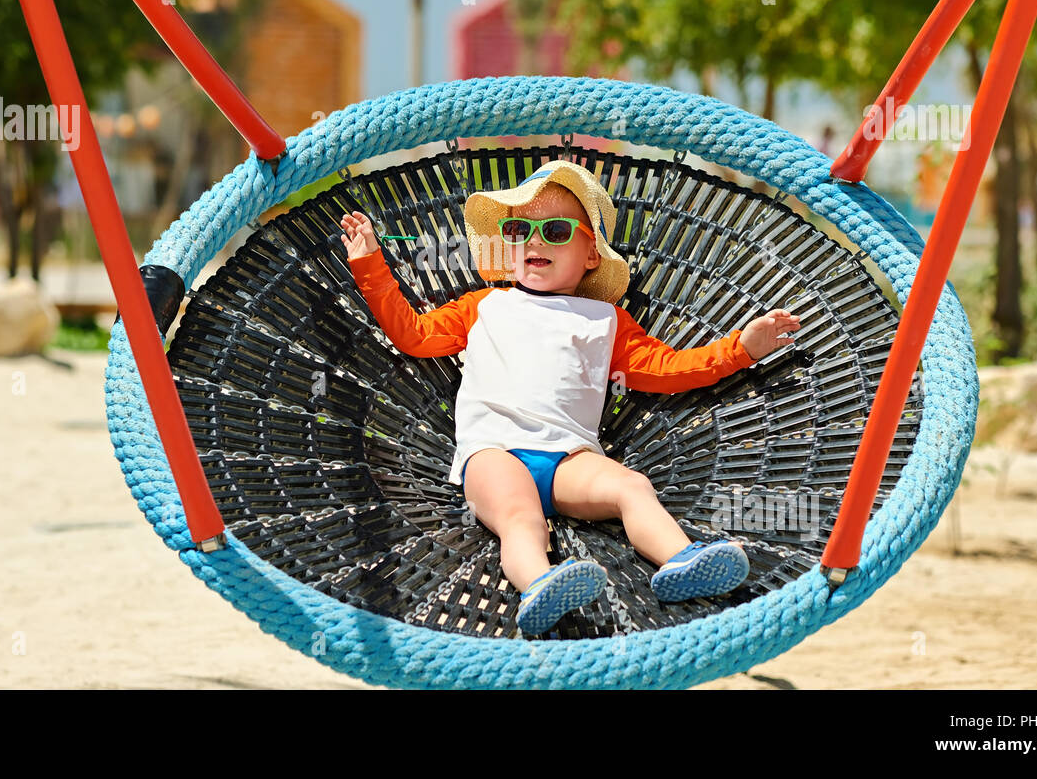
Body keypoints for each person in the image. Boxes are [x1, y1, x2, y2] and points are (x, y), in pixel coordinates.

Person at [339, 159, 800, 635]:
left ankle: (680, 560)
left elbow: (668, 369)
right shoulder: (484, 306)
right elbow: (412, 335)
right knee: (521, 518)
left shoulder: (604, 320)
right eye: (519, 229)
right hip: (494, 453)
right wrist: (370, 262)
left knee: (632, 487)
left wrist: (742, 349)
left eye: (556, 229)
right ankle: (539, 583)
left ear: (591, 255)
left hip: (569, 460)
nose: (534, 241)